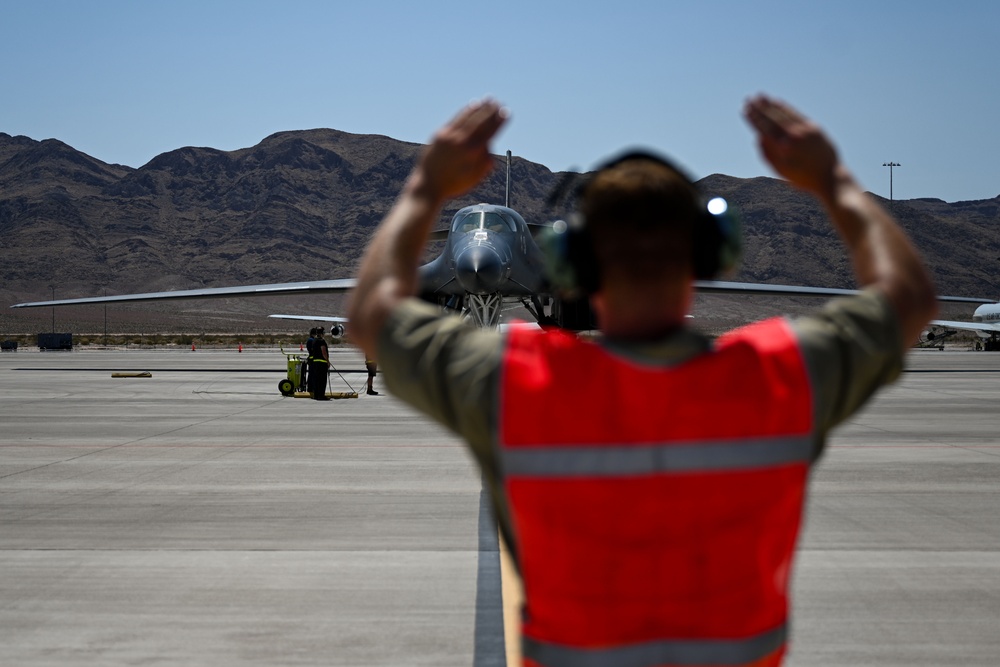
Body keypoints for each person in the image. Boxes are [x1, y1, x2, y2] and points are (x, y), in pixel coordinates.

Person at [347, 97, 937, 666]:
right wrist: (833, 181)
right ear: (710, 255)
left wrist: (424, 189)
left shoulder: (512, 385)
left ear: (573, 260)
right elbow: (909, 299)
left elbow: (371, 315)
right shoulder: (779, 373)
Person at [308, 327, 330, 400]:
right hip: (322, 363)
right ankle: (321, 395)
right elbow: (323, 352)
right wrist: (327, 361)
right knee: (322, 380)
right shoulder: (321, 341)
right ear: (322, 333)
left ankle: (316, 395)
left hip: (315, 363)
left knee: (316, 379)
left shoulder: (314, 341)